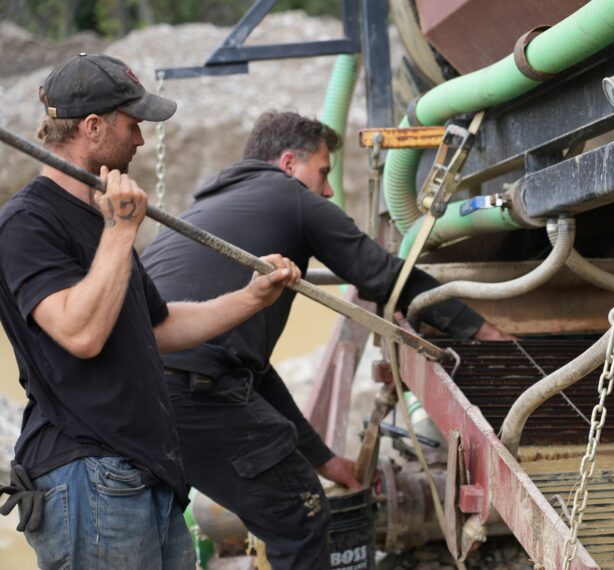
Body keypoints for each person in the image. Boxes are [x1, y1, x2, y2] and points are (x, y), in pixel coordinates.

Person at [141, 110, 510, 569]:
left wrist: (328, 461)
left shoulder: (207, 211)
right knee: (298, 511)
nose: (329, 189)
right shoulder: (287, 196)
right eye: (323, 171)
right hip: (191, 392)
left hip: (141, 398)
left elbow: (246, 374)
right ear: (290, 163)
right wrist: (483, 331)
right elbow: (381, 274)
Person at [0, 54, 301, 570]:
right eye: (133, 125)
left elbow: (158, 327)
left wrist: (250, 298)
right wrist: (120, 231)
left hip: (141, 472)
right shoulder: (26, 224)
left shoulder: (99, 216)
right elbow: (80, 333)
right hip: (88, 474)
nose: (141, 141)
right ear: (93, 127)